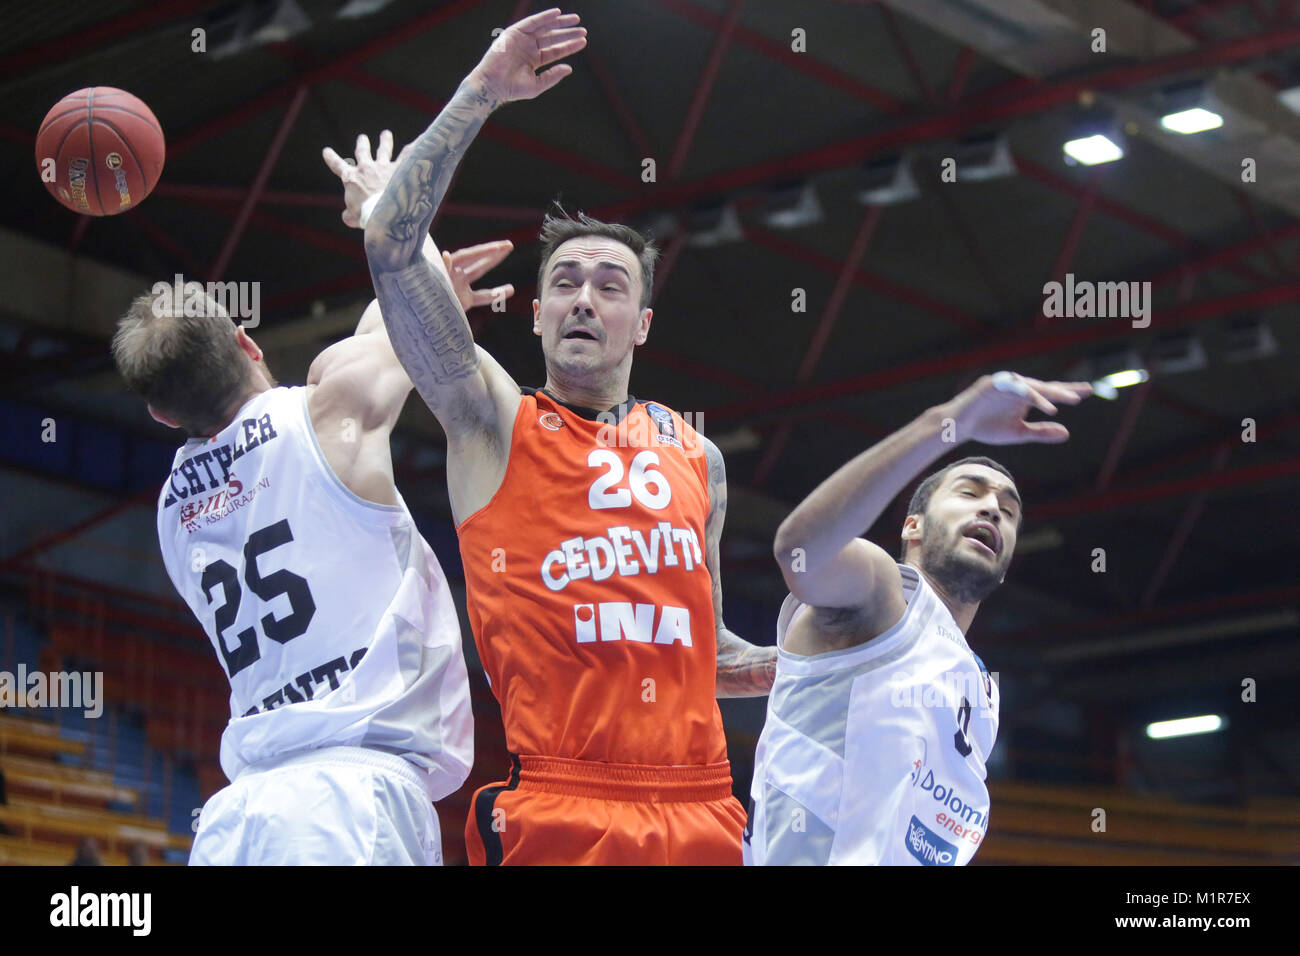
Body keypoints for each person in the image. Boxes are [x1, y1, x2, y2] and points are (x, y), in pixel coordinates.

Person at [363, 8, 776, 865]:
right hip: (560, 802)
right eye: (565, 282)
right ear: (541, 315)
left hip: (703, 806)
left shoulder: (699, 458)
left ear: (644, 323)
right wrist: (483, 89)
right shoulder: (490, 418)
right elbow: (391, 248)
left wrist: (818, 658)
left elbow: (708, 649)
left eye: (610, 284)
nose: (585, 297)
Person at [109, 132, 512, 865]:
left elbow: (386, 335)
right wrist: (390, 216)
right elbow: (410, 333)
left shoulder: (172, 510)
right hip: (348, 799)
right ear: (249, 342)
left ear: (162, 417)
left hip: (239, 816)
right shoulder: (330, 410)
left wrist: (424, 291)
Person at [746, 372, 1092, 865]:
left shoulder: (981, 690)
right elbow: (797, 551)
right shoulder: (883, 591)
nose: (993, 509)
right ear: (913, 525)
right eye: (970, 492)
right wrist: (952, 420)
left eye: (1009, 511)